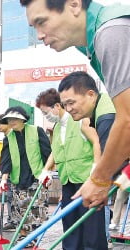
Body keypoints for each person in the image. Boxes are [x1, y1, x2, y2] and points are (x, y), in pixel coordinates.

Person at [20, 0, 130, 208]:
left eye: (42, 22)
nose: (40, 35)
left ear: (74, 4)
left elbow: (128, 120)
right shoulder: (101, 38)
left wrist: (99, 178)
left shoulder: (111, 32)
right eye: (34, 27)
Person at [58, 71, 127, 245]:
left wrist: (98, 181)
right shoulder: (102, 109)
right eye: (65, 104)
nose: (68, 109)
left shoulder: (107, 115)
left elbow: (112, 156)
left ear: (90, 95)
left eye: (71, 102)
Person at [36, 88, 107, 249]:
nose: (46, 117)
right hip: (68, 181)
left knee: (91, 226)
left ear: (57, 106)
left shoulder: (80, 120)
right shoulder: (56, 128)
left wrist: (96, 170)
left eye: (47, 113)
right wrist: (46, 170)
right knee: (70, 224)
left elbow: (96, 142)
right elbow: (56, 151)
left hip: (86, 180)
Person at [0, 106, 51, 247]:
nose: (12, 121)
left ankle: (33, 241)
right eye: (9, 119)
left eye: (15, 118)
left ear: (23, 119)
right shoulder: (9, 138)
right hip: (18, 180)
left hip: (36, 177)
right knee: (20, 212)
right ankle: (24, 241)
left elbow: (48, 153)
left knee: (35, 212)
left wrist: (48, 172)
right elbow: (6, 160)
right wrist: (3, 180)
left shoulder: (36, 131)